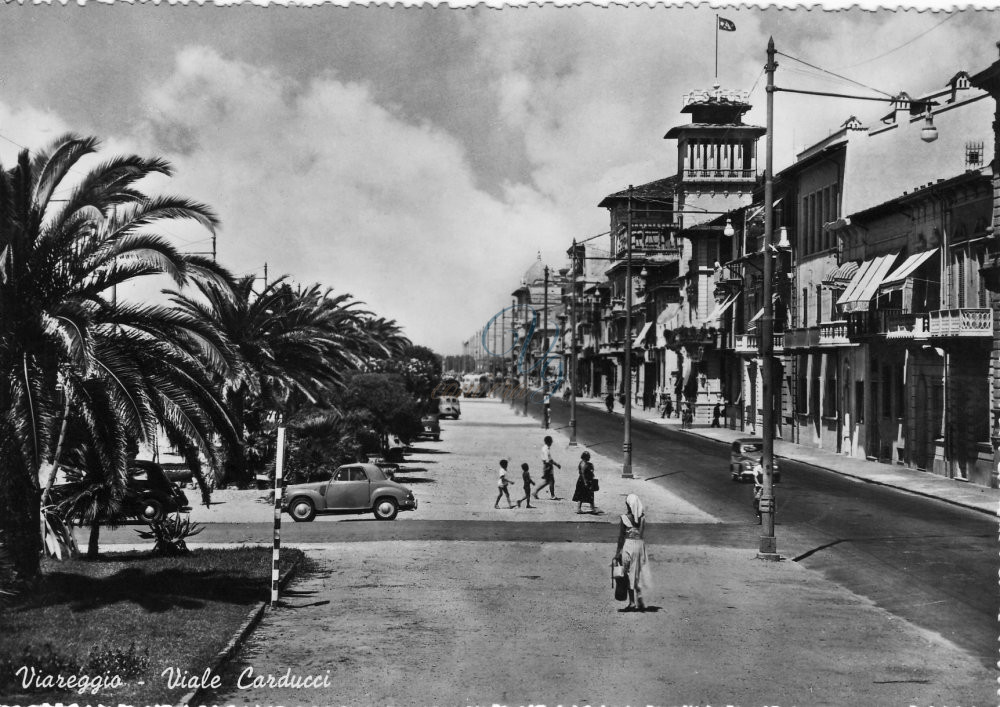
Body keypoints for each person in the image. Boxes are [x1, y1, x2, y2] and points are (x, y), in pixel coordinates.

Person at [613, 494, 650, 612]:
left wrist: (617, 553)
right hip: (639, 546)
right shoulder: (643, 518)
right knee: (636, 572)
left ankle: (632, 602)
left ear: (629, 505)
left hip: (628, 545)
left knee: (628, 573)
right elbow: (642, 534)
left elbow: (621, 537)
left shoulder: (624, 518)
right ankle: (639, 595)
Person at [534, 435, 561, 499]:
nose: (552, 443)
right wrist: (556, 464)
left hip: (547, 466)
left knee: (548, 481)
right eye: (551, 441)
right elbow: (548, 460)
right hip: (548, 466)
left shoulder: (545, 448)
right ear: (549, 442)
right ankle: (552, 495)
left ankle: (535, 492)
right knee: (551, 481)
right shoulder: (546, 449)